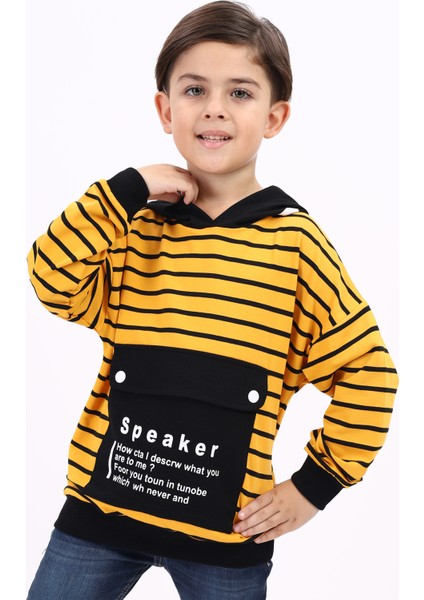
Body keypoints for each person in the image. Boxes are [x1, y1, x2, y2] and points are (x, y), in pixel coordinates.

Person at [26, 1, 398, 598]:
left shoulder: (295, 246)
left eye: (240, 93)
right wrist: (127, 189)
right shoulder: (135, 226)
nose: (214, 108)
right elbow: (51, 278)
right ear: (165, 109)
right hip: (100, 517)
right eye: (194, 89)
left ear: (274, 117)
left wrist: (314, 487)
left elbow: (370, 374)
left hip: (225, 542)